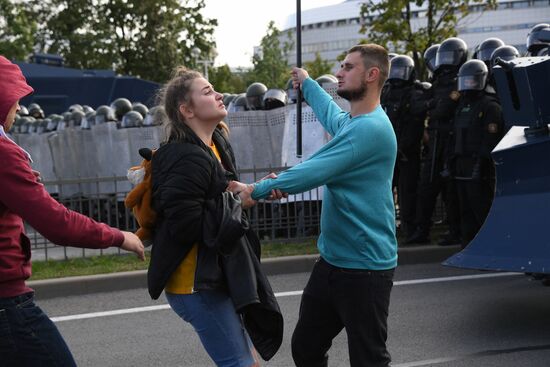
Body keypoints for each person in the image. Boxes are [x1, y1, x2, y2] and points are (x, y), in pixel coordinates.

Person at [233, 44, 397, 367]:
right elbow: (333, 116)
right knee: (306, 348)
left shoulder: (370, 130)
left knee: (369, 360)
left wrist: (257, 190)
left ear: (372, 74)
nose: (339, 72)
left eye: (348, 67)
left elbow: (313, 170)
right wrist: (307, 84)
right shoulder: (354, 122)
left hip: (364, 269)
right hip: (332, 263)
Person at [0, 55, 145, 366]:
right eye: (14, 98)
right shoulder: (4, 156)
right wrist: (118, 236)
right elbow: (55, 223)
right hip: (6, 305)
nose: (17, 108)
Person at [147, 67, 283, 367]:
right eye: (207, 92)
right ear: (186, 110)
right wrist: (239, 200)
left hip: (217, 276)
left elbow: (222, 198)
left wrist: (253, 191)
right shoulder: (183, 155)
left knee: (249, 361)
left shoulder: (216, 144)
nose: (219, 94)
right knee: (239, 363)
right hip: (195, 284)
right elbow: (187, 225)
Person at [452, 59, 504, 248]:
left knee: (482, 207)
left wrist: (480, 165)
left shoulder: (490, 106)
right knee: (465, 208)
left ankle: (491, 246)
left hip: (480, 165)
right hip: (462, 163)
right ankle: (469, 246)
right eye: (465, 81)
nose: (468, 85)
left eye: (472, 81)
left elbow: (490, 139)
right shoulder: (463, 105)